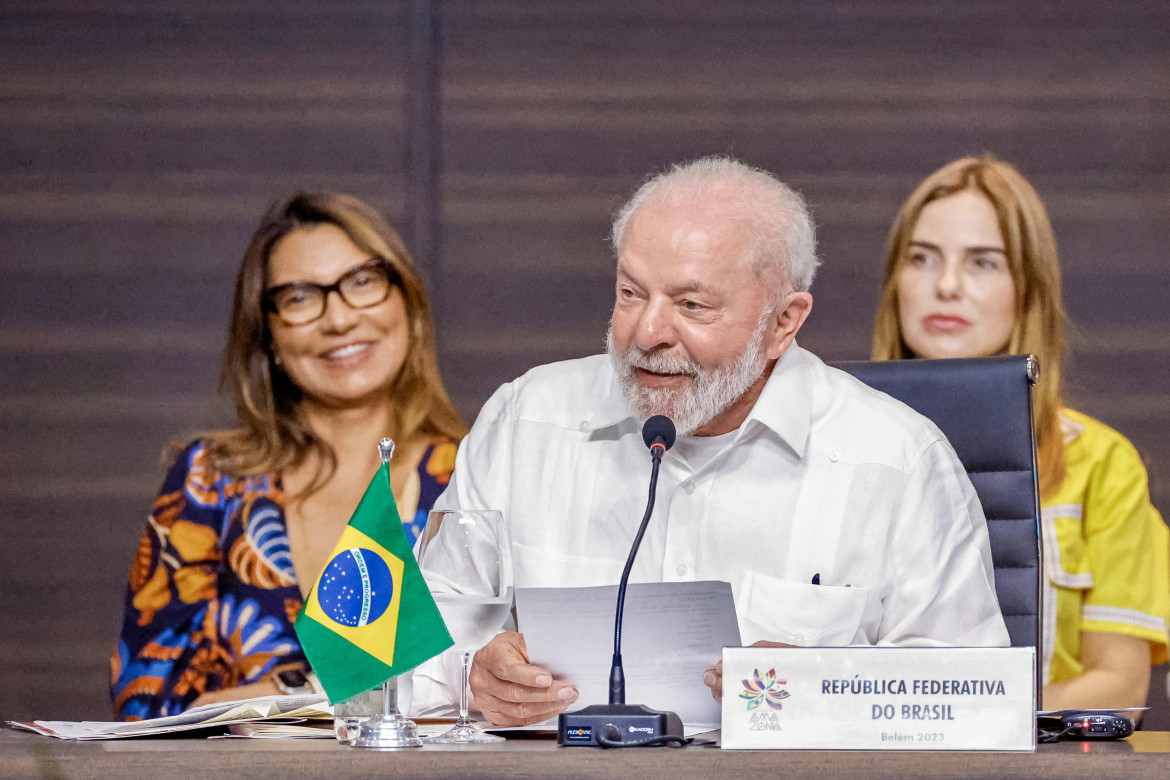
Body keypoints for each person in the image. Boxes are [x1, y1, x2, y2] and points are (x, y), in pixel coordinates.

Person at [411, 157, 1009, 726]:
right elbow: (396, 656)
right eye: (630, 293)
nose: (646, 332)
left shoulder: (895, 460)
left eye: (691, 304)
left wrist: (833, 690)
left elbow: (975, 699)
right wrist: (474, 674)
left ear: (784, 322)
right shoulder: (525, 425)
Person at [111, 192, 467, 720]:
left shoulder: (472, 473)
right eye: (300, 297)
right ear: (269, 335)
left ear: (408, 303)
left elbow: (501, 691)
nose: (339, 319)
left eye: (363, 282)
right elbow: (144, 707)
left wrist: (276, 697)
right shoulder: (208, 480)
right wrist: (322, 690)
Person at [871, 155, 1169, 711]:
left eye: (983, 263)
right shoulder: (826, 445)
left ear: (1027, 291)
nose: (947, 285)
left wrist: (965, 718)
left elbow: (1121, 686)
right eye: (922, 259)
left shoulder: (1103, 464)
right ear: (895, 284)